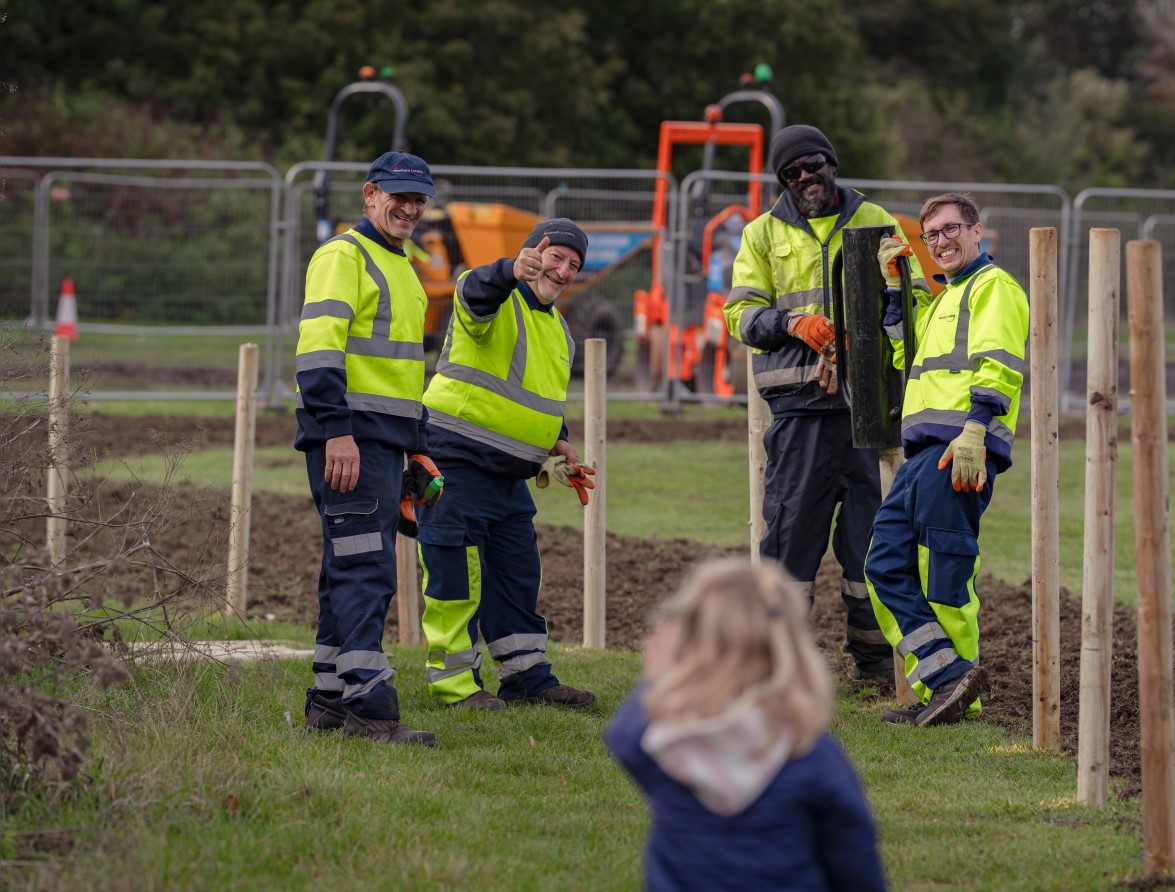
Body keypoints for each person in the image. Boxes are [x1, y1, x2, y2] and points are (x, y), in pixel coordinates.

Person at [723, 124, 926, 682]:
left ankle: (874, 662)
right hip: (799, 412)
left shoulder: (876, 220)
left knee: (872, 543)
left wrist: (892, 306)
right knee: (790, 541)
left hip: (871, 411)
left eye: (813, 164)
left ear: (831, 163)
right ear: (783, 180)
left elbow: (918, 298)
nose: (805, 178)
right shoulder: (762, 234)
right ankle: (771, 664)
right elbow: (739, 314)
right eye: (792, 172)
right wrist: (792, 321)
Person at [605, 557, 886, 892]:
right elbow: (854, 861)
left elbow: (623, 733)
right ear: (791, 650)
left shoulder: (667, 744)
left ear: (688, 645)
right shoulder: (810, 757)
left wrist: (659, 677)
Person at [416, 218, 598, 710]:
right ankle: (456, 686)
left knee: (518, 575)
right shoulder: (495, 296)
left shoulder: (561, 331)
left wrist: (557, 442)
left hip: (509, 475)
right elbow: (475, 294)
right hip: (456, 459)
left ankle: (526, 679)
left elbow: (537, 395)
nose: (562, 270)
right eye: (555, 257)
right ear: (530, 255)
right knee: (457, 574)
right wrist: (508, 271)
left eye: (573, 265)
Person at [865, 191, 1029, 727]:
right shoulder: (943, 298)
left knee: (945, 580)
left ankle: (960, 699)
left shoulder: (994, 288)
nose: (940, 242)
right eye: (931, 234)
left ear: (977, 231)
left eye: (950, 229)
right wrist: (896, 288)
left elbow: (999, 362)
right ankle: (948, 680)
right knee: (883, 565)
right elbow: (904, 356)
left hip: (958, 450)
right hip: (924, 456)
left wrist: (976, 429)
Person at [294, 151, 441, 746]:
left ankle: (331, 701)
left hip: (381, 442)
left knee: (347, 565)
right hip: (349, 441)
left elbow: (402, 373)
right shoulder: (343, 257)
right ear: (369, 194)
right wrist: (337, 431)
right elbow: (318, 353)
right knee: (365, 568)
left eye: (419, 198)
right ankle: (370, 710)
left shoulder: (401, 265)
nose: (409, 207)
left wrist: (418, 447)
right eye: (398, 196)